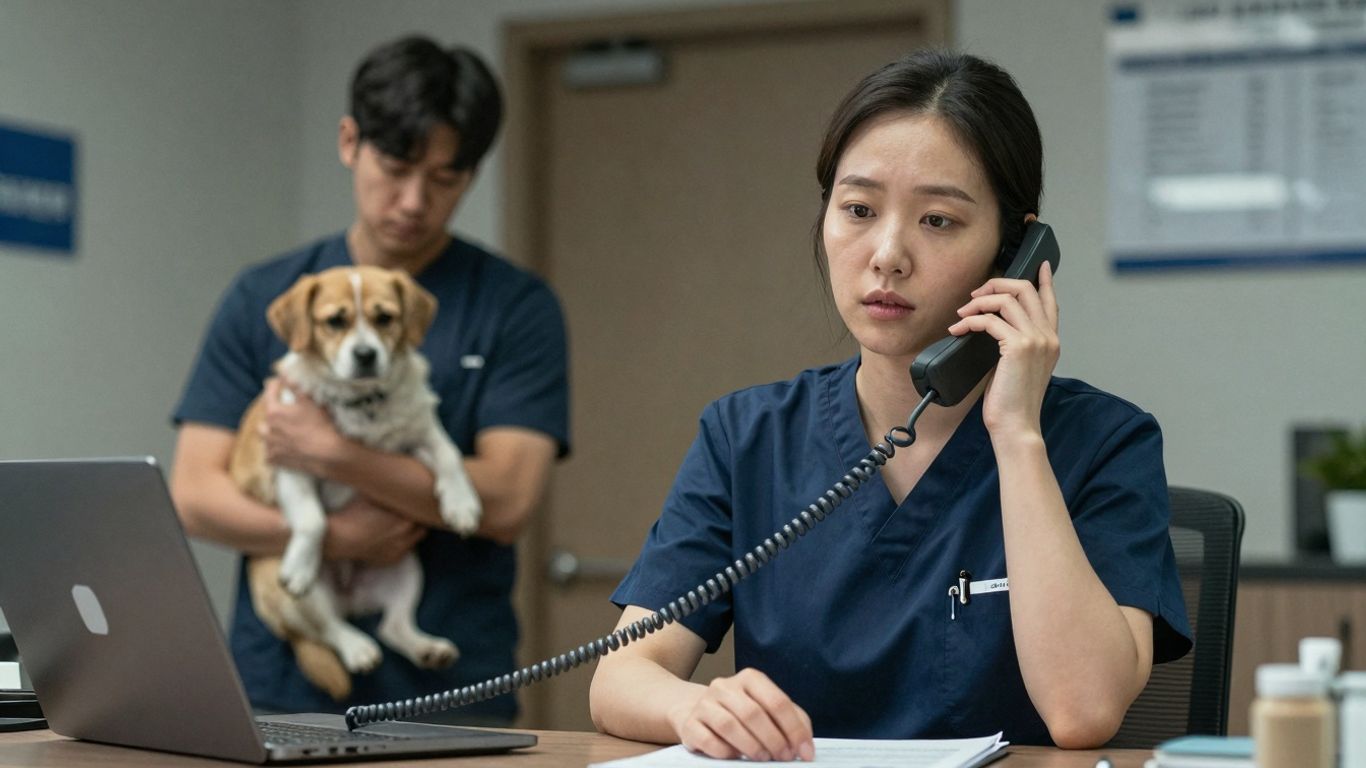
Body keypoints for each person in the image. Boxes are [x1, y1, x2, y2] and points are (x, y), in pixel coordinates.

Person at [588, 50, 1190, 757]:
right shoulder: (746, 436)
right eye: (858, 210)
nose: (887, 254)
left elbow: (1082, 713)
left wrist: (1017, 434)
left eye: (938, 221)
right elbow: (621, 678)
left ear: (1014, 251)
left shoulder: (1105, 440)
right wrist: (698, 708)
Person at [169, 35, 568, 726]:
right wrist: (338, 536)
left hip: (453, 690)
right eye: (397, 165)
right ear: (350, 141)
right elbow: (197, 496)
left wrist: (332, 454)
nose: (414, 199)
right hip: (282, 685)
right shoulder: (268, 296)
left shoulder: (513, 306)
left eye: (447, 178)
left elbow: (504, 500)